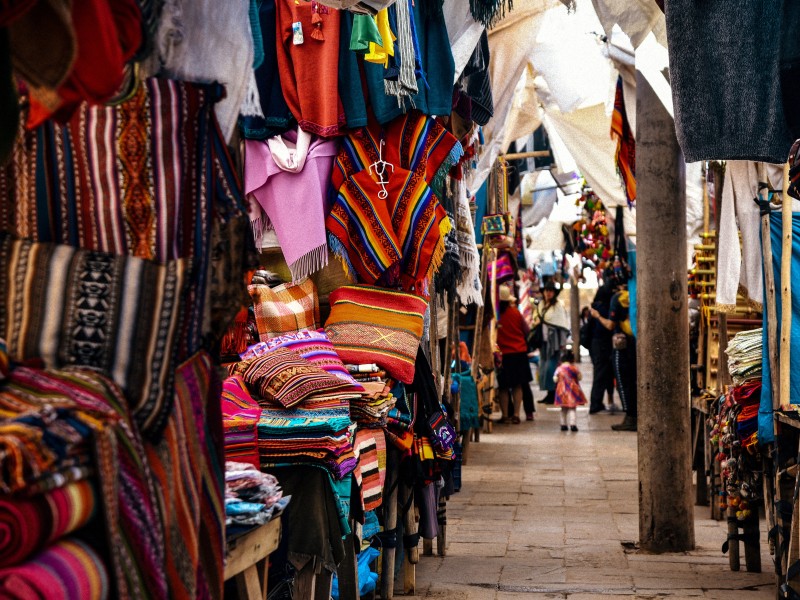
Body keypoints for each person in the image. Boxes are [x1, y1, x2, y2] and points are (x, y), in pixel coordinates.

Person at [591, 274, 637, 431]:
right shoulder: (637, 294)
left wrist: (597, 316)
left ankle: (631, 417)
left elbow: (610, 325)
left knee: (624, 382)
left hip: (623, 345)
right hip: (637, 343)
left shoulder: (617, 298)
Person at [496, 284, 532, 424]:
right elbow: (527, 330)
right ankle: (516, 414)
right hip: (519, 353)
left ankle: (505, 416)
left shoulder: (496, 315)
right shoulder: (516, 312)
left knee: (503, 387)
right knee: (518, 385)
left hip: (503, 355)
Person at [534, 280, 570, 404]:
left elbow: (562, 324)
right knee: (543, 367)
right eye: (546, 291)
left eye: (550, 291)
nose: (548, 293)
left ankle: (553, 393)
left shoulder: (558, 306)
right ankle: (548, 392)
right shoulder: (541, 305)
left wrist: (562, 343)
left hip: (554, 341)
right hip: (543, 341)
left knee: (551, 367)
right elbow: (536, 319)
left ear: (554, 293)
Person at [587, 282, 615, 414]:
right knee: (601, 374)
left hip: (596, 345)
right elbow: (608, 327)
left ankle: (598, 402)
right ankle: (595, 404)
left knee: (602, 373)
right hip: (603, 344)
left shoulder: (595, 307)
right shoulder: (605, 308)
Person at [554, 350, 587, 432]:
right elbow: (579, 378)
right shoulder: (575, 368)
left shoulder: (559, 368)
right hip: (573, 390)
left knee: (563, 409)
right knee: (572, 408)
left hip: (562, 391)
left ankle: (563, 425)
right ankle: (573, 425)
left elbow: (555, 379)